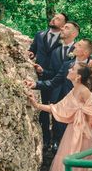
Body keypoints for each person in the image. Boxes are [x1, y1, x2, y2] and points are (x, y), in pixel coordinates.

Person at [28, 63, 92, 171]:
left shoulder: (84, 91)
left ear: (77, 76)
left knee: (77, 167)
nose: (69, 69)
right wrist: (36, 105)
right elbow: (57, 108)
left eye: (73, 69)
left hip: (83, 133)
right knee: (65, 162)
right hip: (72, 131)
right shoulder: (73, 90)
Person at [27, 37, 92, 149]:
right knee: (64, 148)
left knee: (82, 150)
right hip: (67, 113)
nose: (74, 46)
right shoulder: (67, 65)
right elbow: (54, 82)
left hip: (87, 119)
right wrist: (35, 84)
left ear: (85, 52)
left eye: (78, 45)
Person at [27, 14, 69, 150]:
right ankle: (45, 140)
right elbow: (32, 50)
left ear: (63, 25)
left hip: (58, 78)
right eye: (53, 17)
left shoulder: (64, 41)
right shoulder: (39, 35)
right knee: (43, 109)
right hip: (41, 77)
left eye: (57, 19)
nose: (53, 19)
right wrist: (31, 54)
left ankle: (57, 140)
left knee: (57, 108)